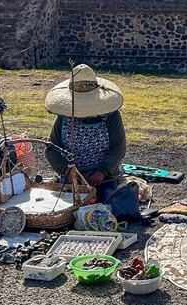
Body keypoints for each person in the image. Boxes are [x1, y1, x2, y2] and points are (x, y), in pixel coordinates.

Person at [44, 64, 126, 203]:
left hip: (102, 178)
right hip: (71, 177)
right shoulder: (63, 117)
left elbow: (119, 147)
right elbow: (51, 149)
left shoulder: (111, 116)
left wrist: (101, 171)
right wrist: (66, 170)